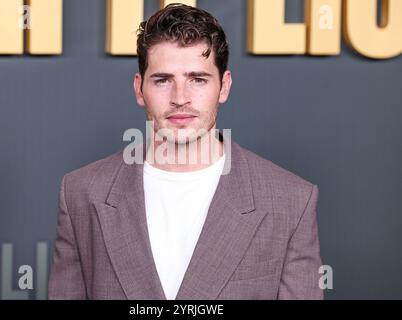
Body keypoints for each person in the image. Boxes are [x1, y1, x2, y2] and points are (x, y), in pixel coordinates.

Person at [48, 3, 323, 300]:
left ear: (224, 86)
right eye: (163, 80)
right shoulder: (80, 193)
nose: (180, 98)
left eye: (198, 79)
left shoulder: (291, 200)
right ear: (140, 89)